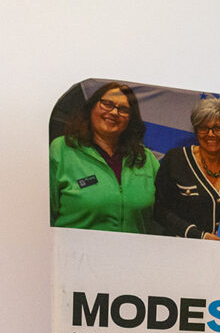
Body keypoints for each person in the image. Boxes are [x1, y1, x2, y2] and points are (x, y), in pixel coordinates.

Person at [49, 82, 159, 233]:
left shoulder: (146, 159)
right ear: (91, 107)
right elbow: (44, 215)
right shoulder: (61, 149)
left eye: (123, 109)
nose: (114, 112)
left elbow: (163, 214)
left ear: (130, 119)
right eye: (107, 104)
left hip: (134, 254)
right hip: (78, 254)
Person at [153, 97, 220, 239]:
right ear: (196, 131)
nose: (210, 134)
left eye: (218, 128)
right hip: (183, 249)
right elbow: (159, 210)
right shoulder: (175, 159)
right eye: (204, 128)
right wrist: (199, 235)